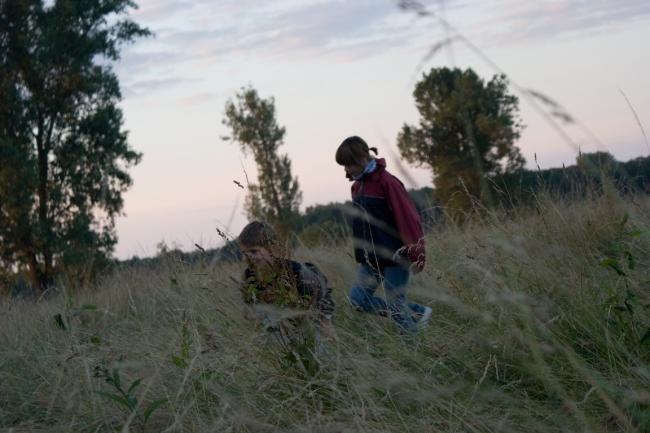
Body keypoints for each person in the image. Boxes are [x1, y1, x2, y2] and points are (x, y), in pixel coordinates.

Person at [335, 135, 431, 332]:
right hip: (370, 259)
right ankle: (417, 312)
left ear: (362, 158)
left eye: (347, 165)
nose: (346, 170)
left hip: (396, 257)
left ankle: (414, 351)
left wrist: (417, 253)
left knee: (397, 312)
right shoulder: (357, 186)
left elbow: (408, 218)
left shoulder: (387, 183)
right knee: (357, 301)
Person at [237, 221, 336, 342]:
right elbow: (249, 310)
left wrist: (325, 321)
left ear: (272, 248)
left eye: (253, 251)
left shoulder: (296, 271)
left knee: (319, 337)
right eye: (244, 253)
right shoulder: (249, 277)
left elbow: (322, 291)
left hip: (309, 316)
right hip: (279, 321)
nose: (248, 257)